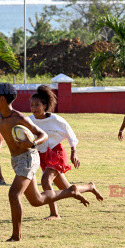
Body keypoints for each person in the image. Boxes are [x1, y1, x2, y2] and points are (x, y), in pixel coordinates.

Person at [0, 83, 91, 242]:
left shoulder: (19, 118)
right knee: (37, 201)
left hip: (29, 158)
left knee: (14, 194)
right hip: (16, 160)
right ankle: (70, 191)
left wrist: (32, 143)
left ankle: (16, 237)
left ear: (2, 98)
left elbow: (42, 135)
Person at [29, 85, 103, 220]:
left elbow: (70, 133)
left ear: (45, 105)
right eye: (32, 105)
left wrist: (74, 152)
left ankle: (54, 214)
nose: (34, 108)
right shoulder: (30, 120)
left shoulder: (56, 120)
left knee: (45, 181)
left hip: (56, 153)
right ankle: (90, 187)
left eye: (37, 105)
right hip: (43, 156)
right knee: (68, 190)